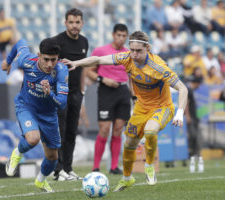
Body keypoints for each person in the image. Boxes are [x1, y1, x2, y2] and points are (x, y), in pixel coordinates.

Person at [63, 31, 188, 191]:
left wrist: (179, 113)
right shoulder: (126, 57)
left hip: (161, 107)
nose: (134, 54)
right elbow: (99, 59)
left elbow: (183, 89)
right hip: (141, 109)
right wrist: (77, 63)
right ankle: (127, 179)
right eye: (132, 50)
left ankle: (149, 166)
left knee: (150, 131)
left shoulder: (158, 66)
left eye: (138, 51)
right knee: (129, 144)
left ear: (147, 48)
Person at [2, 38, 69, 192]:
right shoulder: (26, 61)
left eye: (54, 60)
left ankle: (40, 181)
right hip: (26, 107)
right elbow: (20, 42)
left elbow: (63, 103)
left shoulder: (61, 71)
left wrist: (50, 94)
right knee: (33, 138)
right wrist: (8, 61)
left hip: (49, 114)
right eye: (46, 59)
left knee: (52, 157)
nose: (50, 64)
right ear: (39, 55)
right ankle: (17, 153)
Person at [87, 24, 131, 174]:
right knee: (104, 129)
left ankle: (114, 166)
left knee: (118, 129)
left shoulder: (128, 54)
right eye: (118, 35)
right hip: (106, 91)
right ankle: (96, 167)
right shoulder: (100, 51)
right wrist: (103, 79)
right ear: (113, 35)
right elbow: (88, 71)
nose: (121, 38)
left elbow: (132, 76)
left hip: (123, 91)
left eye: (124, 36)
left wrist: (134, 95)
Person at [52, 8, 89, 181]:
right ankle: (58, 170)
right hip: (60, 93)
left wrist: (82, 92)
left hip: (76, 93)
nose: (74, 26)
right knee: (61, 131)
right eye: (71, 22)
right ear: (65, 23)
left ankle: (68, 167)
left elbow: (82, 69)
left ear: (82, 23)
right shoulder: (57, 42)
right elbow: (49, 66)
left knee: (72, 132)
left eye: (77, 22)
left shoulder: (84, 42)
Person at [184, 76, 204, 173]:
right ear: (196, 83)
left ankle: (195, 155)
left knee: (196, 136)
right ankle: (193, 154)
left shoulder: (190, 90)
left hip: (194, 118)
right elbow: (186, 103)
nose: (199, 86)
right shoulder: (189, 90)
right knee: (193, 136)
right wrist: (187, 116)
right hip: (191, 118)